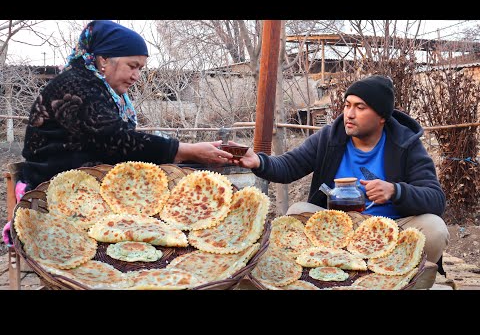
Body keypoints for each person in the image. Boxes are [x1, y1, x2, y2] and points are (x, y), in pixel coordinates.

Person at [235, 74, 449, 265]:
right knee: (296, 213)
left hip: (391, 230)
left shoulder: (406, 144)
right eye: (347, 105)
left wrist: (395, 191)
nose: (350, 114)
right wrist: (259, 162)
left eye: (360, 107)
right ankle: (328, 269)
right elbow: (290, 166)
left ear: (382, 116)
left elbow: (435, 198)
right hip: (337, 230)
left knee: (435, 229)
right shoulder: (330, 137)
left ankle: (403, 274)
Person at [20, 20, 233, 191]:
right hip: (53, 191)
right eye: (132, 66)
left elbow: (117, 139)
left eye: (140, 68)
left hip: (84, 185)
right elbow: (115, 140)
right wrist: (188, 151)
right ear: (104, 60)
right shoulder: (74, 85)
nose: (136, 76)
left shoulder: (99, 88)